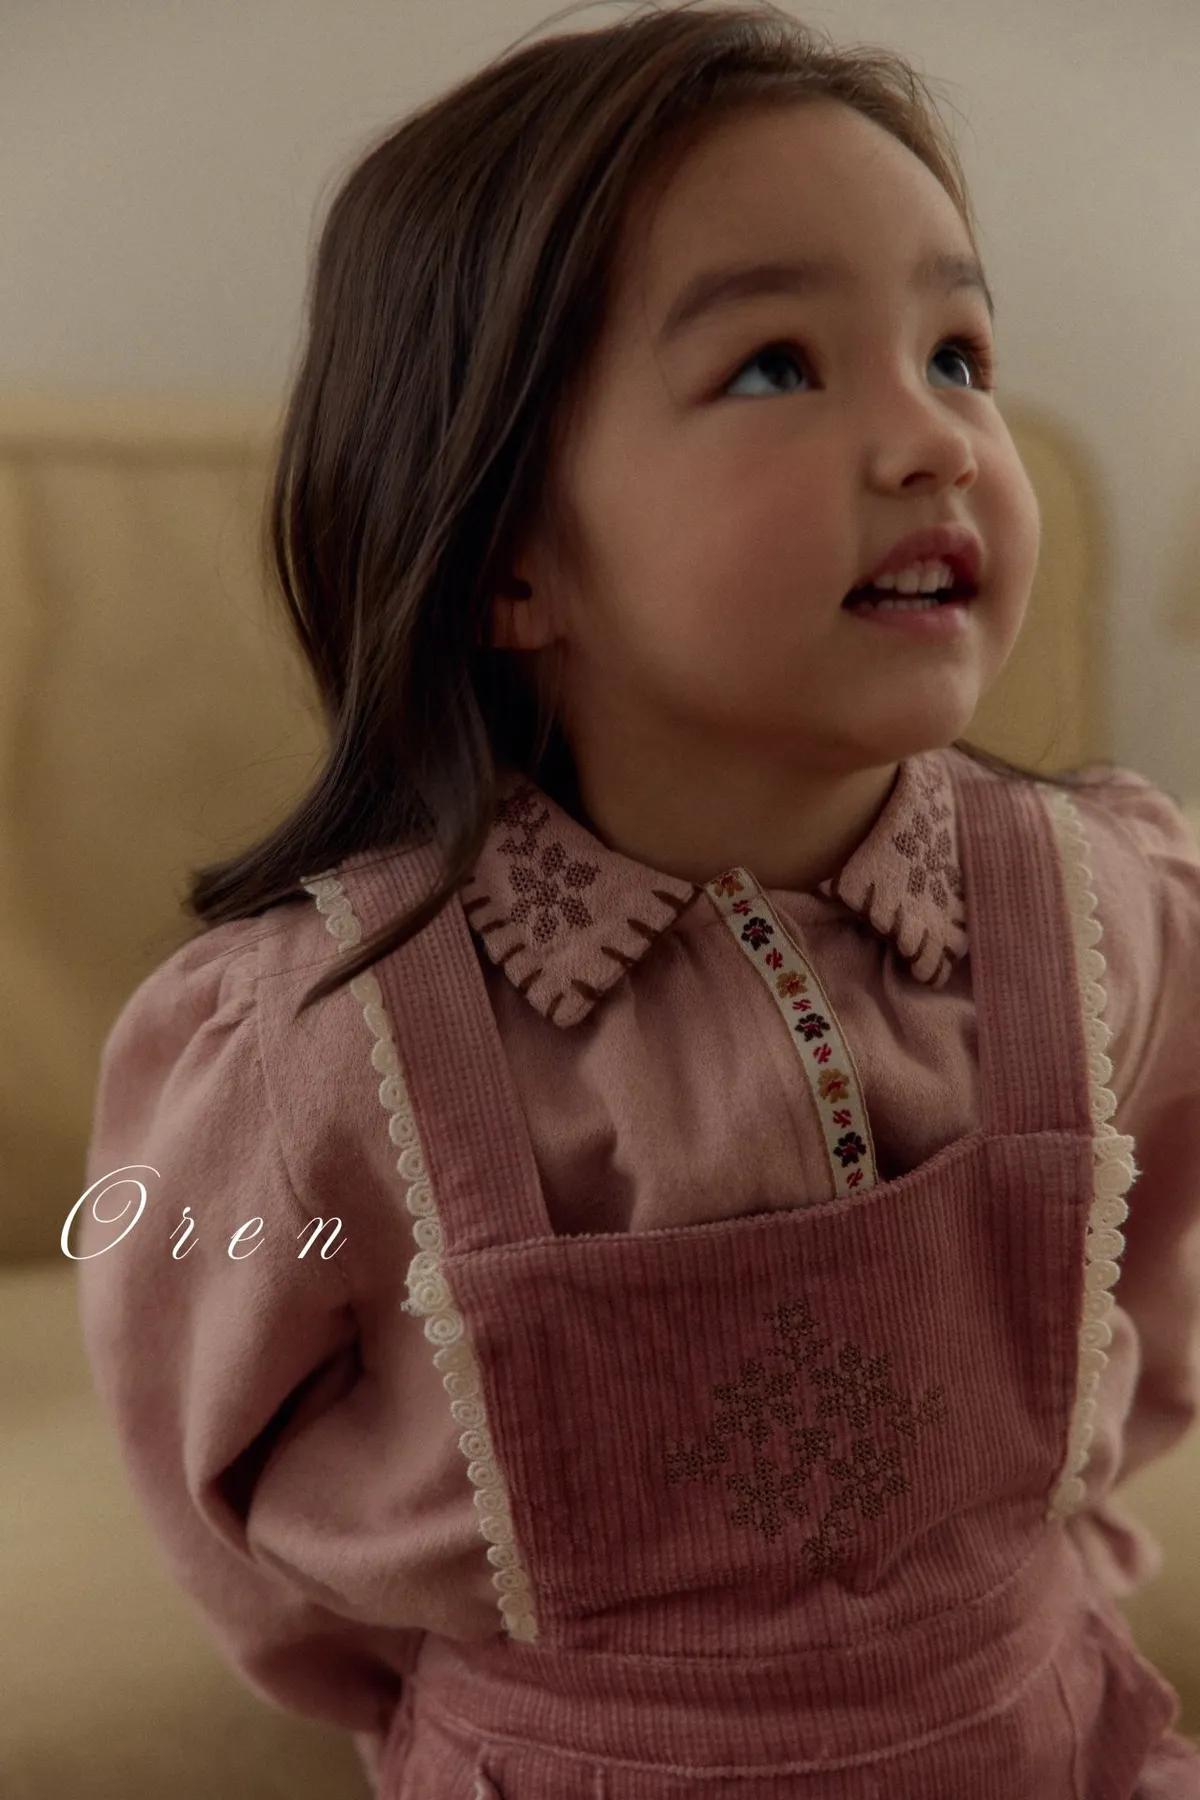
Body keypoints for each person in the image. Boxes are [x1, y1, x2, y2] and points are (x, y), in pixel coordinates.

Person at [74, 2, 1200, 1794]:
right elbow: (223, 1489)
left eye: (958, 353)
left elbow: (1141, 1293)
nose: (934, 440)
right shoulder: (317, 1051)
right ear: (507, 554)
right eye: (776, 366)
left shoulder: (1106, 914)